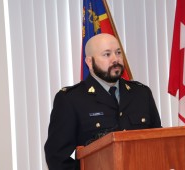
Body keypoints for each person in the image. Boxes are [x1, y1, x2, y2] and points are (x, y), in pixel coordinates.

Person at [44, 33, 162, 170]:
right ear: (89, 62)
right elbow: (58, 157)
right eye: (107, 54)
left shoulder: (141, 93)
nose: (115, 59)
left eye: (118, 53)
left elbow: (157, 143)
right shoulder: (71, 99)